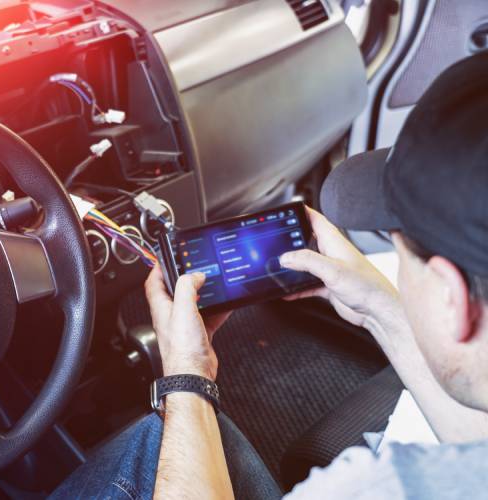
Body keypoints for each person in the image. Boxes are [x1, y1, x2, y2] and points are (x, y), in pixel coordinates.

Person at [50, 52, 488, 498]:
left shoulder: (378, 486)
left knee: (152, 438)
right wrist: (378, 310)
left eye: (400, 251)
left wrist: (186, 374)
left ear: (453, 298)